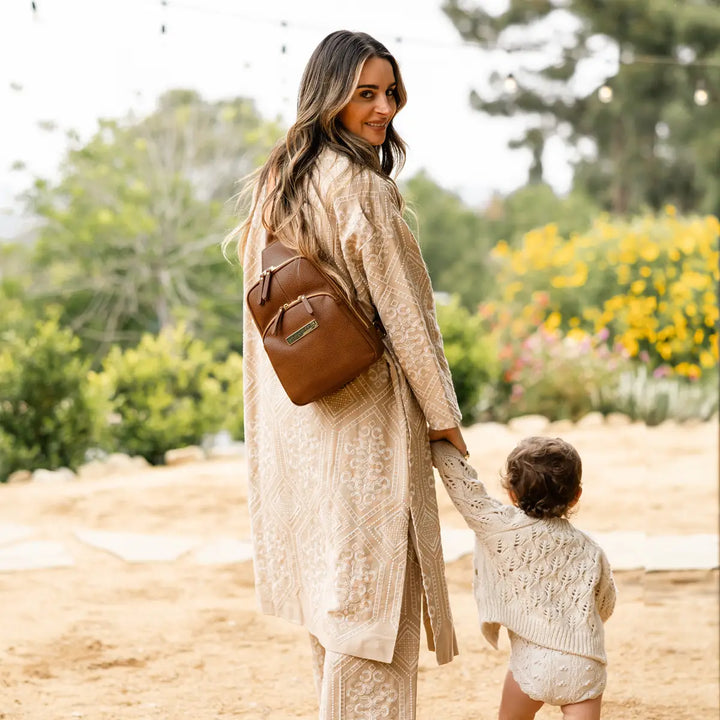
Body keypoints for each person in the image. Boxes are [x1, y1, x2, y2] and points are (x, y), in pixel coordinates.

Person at [224, 29, 467, 719]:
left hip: (303, 428)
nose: (383, 108)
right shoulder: (364, 189)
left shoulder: (277, 185)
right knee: (375, 609)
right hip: (370, 427)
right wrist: (444, 420)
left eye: (390, 93)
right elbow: (410, 319)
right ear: (329, 97)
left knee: (334, 610)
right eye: (365, 93)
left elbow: (262, 320)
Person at [431, 437, 616, 720]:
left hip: (532, 662)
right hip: (583, 662)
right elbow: (605, 604)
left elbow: (466, 492)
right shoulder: (591, 550)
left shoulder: (499, 528)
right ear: (576, 495)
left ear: (512, 494)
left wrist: (443, 443)